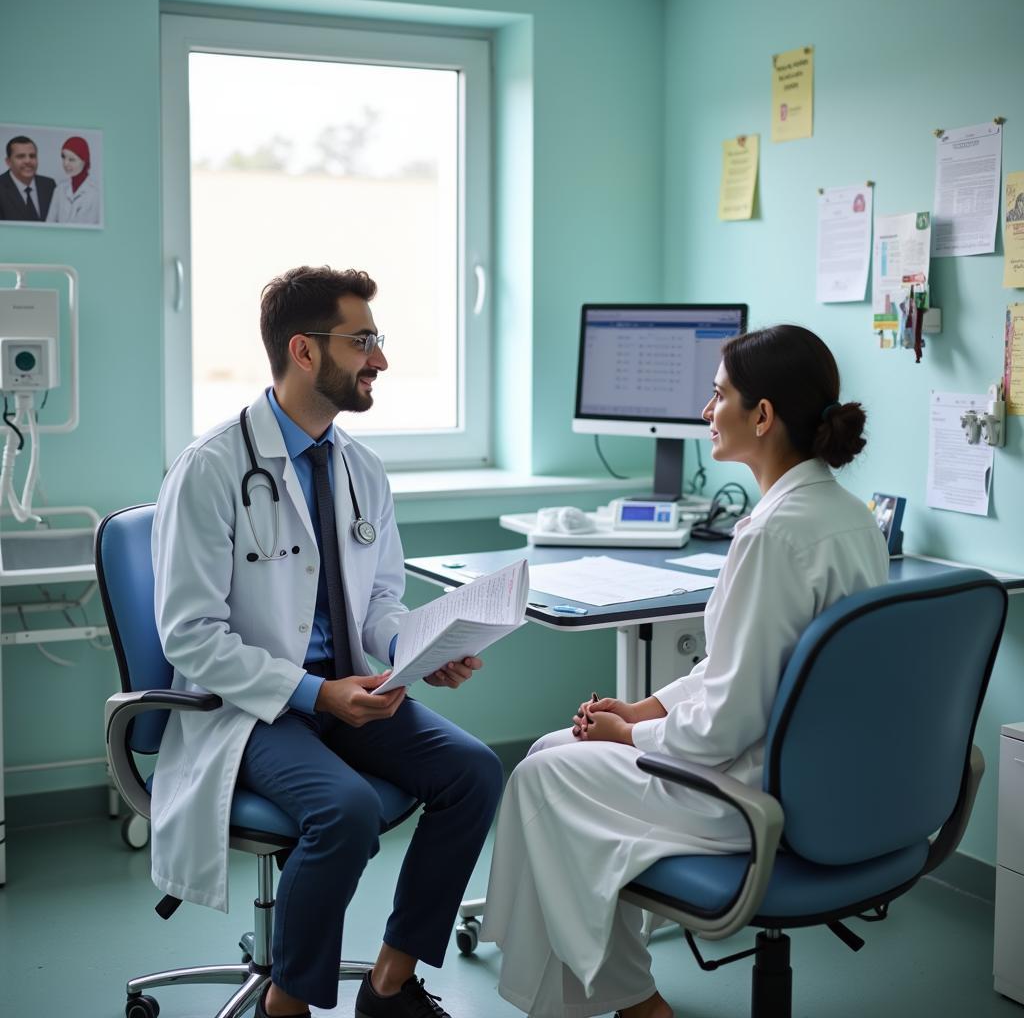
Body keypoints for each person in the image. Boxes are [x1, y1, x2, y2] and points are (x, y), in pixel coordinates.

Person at [481, 325, 890, 1018]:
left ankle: (630, 1002)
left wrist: (626, 740)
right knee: (560, 756)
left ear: (761, 416)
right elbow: (753, 672)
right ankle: (619, 992)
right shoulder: (849, 517)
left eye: (718, 394)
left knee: (540, 773)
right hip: (833, 783)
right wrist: (645, 709)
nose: (706, 411)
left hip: (755, 797)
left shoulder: (771, 535)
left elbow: (732, 715)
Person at [151, 265, 504, 1018]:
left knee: (474, 772)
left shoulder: (359, 468)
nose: (380, 359)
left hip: (352, 693)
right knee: (341, 810)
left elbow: (376, 599)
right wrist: (316, 693)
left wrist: (420, 647)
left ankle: (390, 983)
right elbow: (189, 635)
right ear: (305, 351)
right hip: (249, 707)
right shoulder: (211, 469)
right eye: (363, 341)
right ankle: (288, 1003)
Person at [46, 135, 100, 225]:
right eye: (63, 157)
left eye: (71, 159)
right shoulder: (59, 189)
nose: (65, 163)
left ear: (84, 161)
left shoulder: (96, 192)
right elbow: (49, 223)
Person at [0, 135, 56, 222]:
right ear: (8, 162)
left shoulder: (49, 185)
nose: (28, 161)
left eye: (32, 156)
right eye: (21, 156)